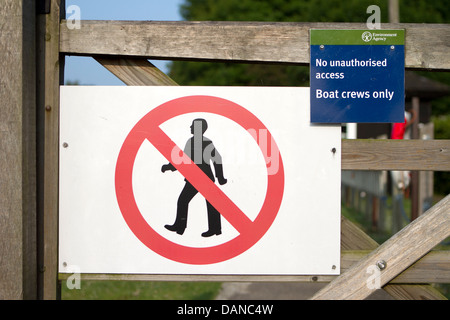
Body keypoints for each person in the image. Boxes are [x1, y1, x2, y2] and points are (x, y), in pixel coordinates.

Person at [161, 118, 227, 237]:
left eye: (192, 125)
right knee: (184, 200)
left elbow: (217, 159)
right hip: (195, 178)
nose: (190, 127)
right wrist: (169, 167)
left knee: (206, 203)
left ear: (198, 128)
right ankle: (180, 227)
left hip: (203, 178)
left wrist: (220, 177)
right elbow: (182, 159)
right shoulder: (191, 142)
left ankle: (213, 229)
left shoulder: (205, 143)